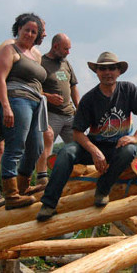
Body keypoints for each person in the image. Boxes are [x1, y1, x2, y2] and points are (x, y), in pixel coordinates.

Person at [36, 52, 137, 221]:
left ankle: (103, 189)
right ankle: (48, 204)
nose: (107, 72)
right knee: (66, 152)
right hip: (95, 145)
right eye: (103, 68)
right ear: (97, 72)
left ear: (119, 71)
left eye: (112, 68)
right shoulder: (89, 99)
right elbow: (77, 132)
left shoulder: (128, 89)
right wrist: (94, 151)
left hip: (118, 148)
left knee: (129, 150)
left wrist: (135, 137)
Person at [0, 14, 47, 209]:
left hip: (36, 102)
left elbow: (37, 81)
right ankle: (11, 194)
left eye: (34, 31)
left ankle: (23, 187)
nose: (30, 34)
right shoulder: (10, 49)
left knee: (36, 147)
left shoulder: (36, 55)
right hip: (17, 99)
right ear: (19, 29)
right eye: (27, 30)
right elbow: (0, 79)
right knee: (15, 146)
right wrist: (6, 106)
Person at [34, 33, 80, 184]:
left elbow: (73, 86)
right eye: (66, 49)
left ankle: (80, 177)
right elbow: (33, 89)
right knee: (45, 145)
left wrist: (79, 107)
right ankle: (42, 179)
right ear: (55, 47)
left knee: (79, 146)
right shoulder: (41, 62)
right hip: (50, 114)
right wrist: (48, 96)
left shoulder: (66, 63)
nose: (68, 52)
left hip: (69, 114)